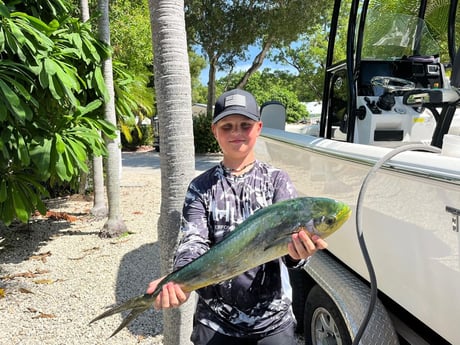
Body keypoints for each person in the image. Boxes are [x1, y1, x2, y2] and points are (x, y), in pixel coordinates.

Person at [147, 89, 328, 345]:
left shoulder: (277, 180)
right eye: (227, 126)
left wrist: (299, 255)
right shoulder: (200, 187)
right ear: (215, 131)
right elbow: (193, 241)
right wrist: (178, 279)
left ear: (259, 127)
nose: (236, 133)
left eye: (245, 125)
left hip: (273, 323)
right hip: (215, 323)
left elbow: (290, 250)